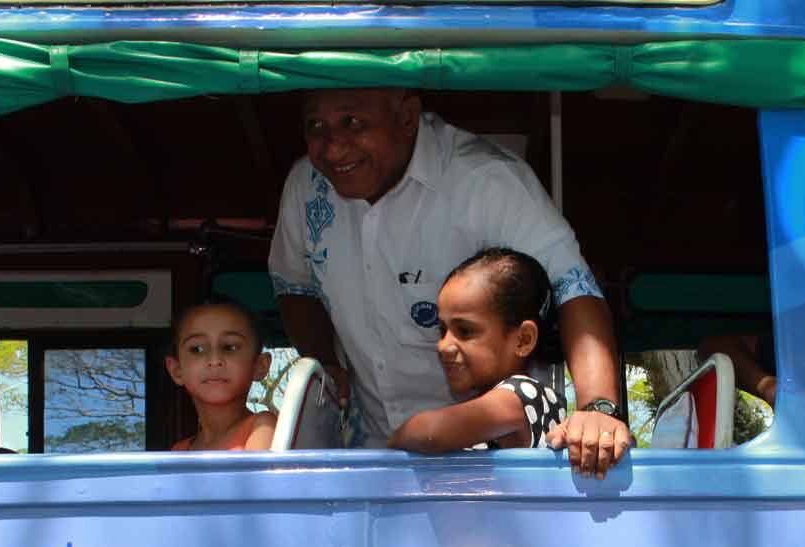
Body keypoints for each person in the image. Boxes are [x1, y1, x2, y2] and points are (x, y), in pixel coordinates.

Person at [268, 88, 630, 478]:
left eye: (352, 123)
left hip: (488, 478)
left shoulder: (486, 181)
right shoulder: (305, 185)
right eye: (315, 125)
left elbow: (573, 287)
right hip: (372, 459)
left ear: (407, 116)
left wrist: (597, 412)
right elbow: (295, 287)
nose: (333, 147)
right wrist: (325, 363)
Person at [388, 248, 565, 453]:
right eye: (443, 330)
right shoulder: (492, 409)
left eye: (464, 331)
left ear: (523, 340)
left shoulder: (521, 395)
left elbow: (431, 432)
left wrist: (396, 438)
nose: (443, 346)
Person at [166, 300, 277, 452]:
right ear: (177, 370)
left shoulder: (262, 427)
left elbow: (257, 476)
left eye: (230, 347)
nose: (214, 360)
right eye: (197, 349)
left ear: (260, 366)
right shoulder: (179, 451)